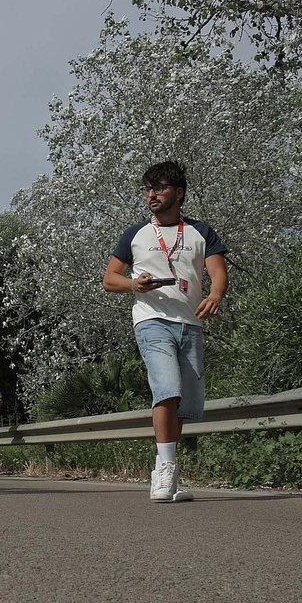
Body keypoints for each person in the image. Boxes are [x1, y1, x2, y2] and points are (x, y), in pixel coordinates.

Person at [103, 160, 228, 502]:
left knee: (184, 403)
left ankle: (166, 469)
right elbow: (109, 279)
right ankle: (167, 470)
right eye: (147, 189)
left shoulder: (201, 232)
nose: (151, 194)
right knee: (167, 388)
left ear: (179, 192)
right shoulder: (135, 234)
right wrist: (133, 284)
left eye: (159, 187)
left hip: (190, 324)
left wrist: (215, 294)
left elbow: (218, 273)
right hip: (151, 319)